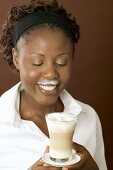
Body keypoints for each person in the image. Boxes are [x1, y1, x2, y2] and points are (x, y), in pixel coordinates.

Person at [0, 0, 107, 170]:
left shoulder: (88, 117)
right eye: (37, 62)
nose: (51, 73)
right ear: (16, 58)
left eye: (61, 62)